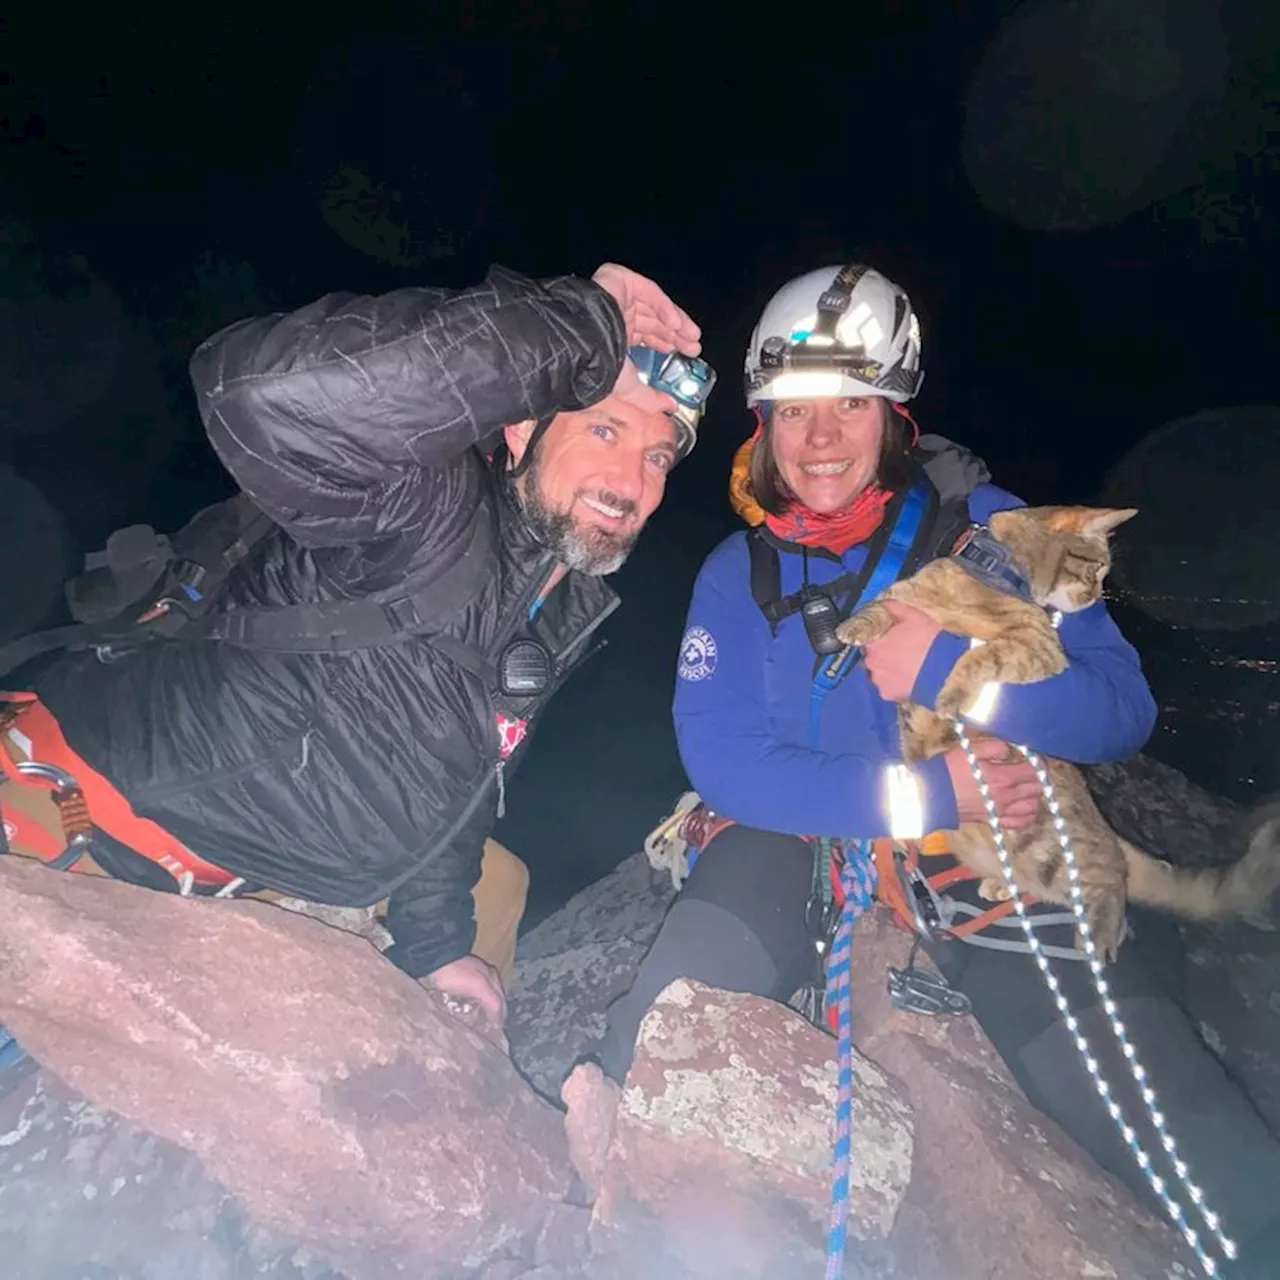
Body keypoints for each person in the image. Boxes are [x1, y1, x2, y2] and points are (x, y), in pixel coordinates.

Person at [595, 264, 1280, 1274]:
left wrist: (959, 676)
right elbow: (724, 756)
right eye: (793, 410)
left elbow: (1119, 709)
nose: (819, 437)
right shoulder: (736, 572)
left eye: (850, 405)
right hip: (809, 827)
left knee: (1133, 1076)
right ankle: (600, 1166)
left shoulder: (998, 535)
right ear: (761, 426)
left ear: (893, 416)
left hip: (985, 843)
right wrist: (918, 793)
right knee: (678, 987)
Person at [0, 261, 710, 1035]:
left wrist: (437, 946)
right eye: (605, 429)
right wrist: (571, 325)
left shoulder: (544, 601)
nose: (630, 479)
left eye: (658, 455)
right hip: (75, 826)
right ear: (520, 426)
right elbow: (257, 395)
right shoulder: (421, 501)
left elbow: (451, 778)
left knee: (499, 887)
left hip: (252, 871)